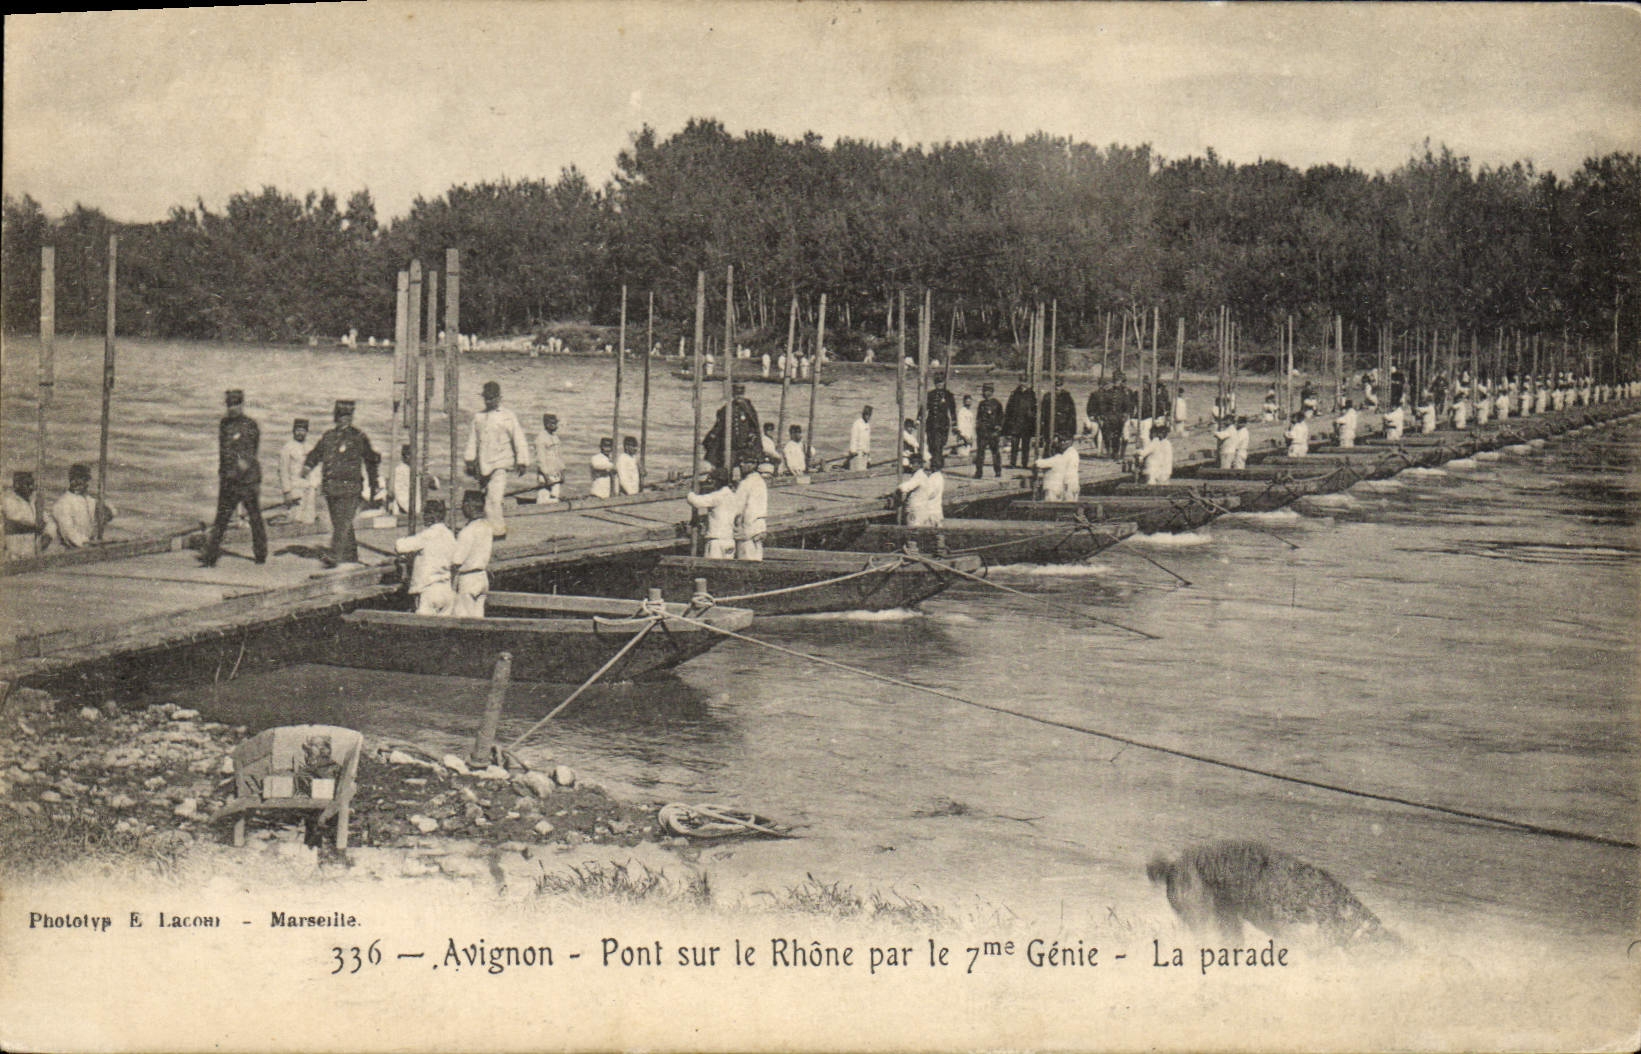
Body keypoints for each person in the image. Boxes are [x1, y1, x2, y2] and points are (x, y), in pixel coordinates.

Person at [303, 399, 382, 566]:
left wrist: (374, 486)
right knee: (339, 521)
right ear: (335, 417)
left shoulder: (358, 437)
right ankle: (351, 554)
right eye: (340, 416)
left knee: (342, 521)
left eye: (346, 416)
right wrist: (308, 466)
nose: (343, 419)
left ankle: (335, 555)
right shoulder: (329, 436)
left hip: (350, 488)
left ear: (351, 417)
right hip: (331, 488)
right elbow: (315, 453)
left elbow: (371, 460)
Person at [200, 389, 267, 567]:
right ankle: (210, 557)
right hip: (229, 480)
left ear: (242, 405)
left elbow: (251, 451)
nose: (232, 408)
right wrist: (223, 473)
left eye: (235, 405)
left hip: (247, 481)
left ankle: (260, 554)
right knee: (221, 519)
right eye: (229, 405)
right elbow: (224, 452)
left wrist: (242, 465)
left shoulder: (250, 425)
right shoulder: (224, 424)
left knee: (255, 517)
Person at [464, 380, 531, 538]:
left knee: (494, 499)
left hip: (501, 463)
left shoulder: (508, 416)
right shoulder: (479, 417)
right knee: (484, 497)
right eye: (486, 398)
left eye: (492, 398)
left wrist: (522, 461)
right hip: (483, 465)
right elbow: (473, 440)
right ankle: (486, 528)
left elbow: (519, 438)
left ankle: (498, 531)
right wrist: (469, 460)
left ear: (499, 398)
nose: (489, 401)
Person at [394, 499, 456, 616]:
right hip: (446, 589)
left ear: (432, 515)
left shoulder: (427, 535)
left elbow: (400, 546)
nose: (424, 517)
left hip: (429, 590)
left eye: (426, 514)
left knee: (423, 629)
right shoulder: (450, 535)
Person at [452, 490, 493, 618]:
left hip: (468, 579)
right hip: (482, 577)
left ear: (469, 506)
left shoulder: (467, 532)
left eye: (464, 505)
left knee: (463, 620)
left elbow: (456, 560)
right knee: (478, 618)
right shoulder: (487, 527)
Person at [703, 382, 763, 470]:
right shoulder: (727, 409)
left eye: (740, 394)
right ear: (733, 394)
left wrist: (752, 438)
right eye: (736, 394)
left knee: (747, 465)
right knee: (727, 464)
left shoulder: (748, 408)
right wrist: (711, 437)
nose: (738, 396)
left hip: (745, 446)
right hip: (731, 446)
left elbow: (754, 426)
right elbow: (719, 426)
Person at [686, 468, 739, 559]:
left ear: (717, 481)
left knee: (712, 568)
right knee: (727, 569)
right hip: (729, 539)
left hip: (716, 541)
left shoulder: (717, 496)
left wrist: (690, 492)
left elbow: (695, 501)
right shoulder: (732, 496)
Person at [279, 418, 322, 526]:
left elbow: (316, 469)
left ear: (306, 432)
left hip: (310, 488)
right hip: (295, 489)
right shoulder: (287, 448)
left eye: (302, 430)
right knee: (295, 519)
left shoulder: (311, 447)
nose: (300, 432)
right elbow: (283, 471)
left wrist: (316, 485)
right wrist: (287, 492)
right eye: (297, 430)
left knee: (309, 520)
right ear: (293, 431)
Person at [3, 471, 47, 559]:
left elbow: (47, 521)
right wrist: (35, 526)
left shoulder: (33, 502)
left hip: (31, 550)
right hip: (15, 551)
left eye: (32, 484)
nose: (31, 488)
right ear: (17, 485)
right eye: (27, 484)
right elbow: (15, 523)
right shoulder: (8, 501)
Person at [896, 450, 946, 527]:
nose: (910, 466)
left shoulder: (919, 476)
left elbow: (904, 488)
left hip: (916, 511)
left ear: (919, 464)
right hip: (924, 510)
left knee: (913, 533)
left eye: (913, 463)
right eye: (910, 463)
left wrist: (896, 492)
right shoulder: (927, 476)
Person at [733, 458, 768, 561]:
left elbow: (737, 508)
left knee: (745, 559)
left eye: (745, 462)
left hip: (748, 527)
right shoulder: (760, 481)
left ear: (754, 464)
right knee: (757, 557)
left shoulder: (745, 483)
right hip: (759, 526)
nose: (741, 464)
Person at [1003, 374, 1037, 467]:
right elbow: (1008, 410)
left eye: (1025, 381)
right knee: (1014, 445)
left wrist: (1032, 418)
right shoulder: (1014, 394)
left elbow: (1035, 409)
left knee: (1026, 445)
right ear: (1019, 381)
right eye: (1021, 381)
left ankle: (1024, 463)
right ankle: (1013, 463)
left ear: (1027, 382)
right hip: (1016, 423)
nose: (1023, 383)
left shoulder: (1031, 394)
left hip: (1026, 424)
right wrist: (1008, 424)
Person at [531, 413, 565, 503]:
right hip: (546, 475)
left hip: (556, 473)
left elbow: (559, 456)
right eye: (552, 423)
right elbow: (540, 460)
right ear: (546, 424)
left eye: (556, 423)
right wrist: (546, 477)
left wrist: (562, 472)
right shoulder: (541, 439)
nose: (555, 425)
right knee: (543, 498)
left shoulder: (555, 437)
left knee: (555, 498)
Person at [1035, 435, 1080, 502]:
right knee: (1070, 504)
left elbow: (1038, 463)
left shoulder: (1060, 457)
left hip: (1062, 485)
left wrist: (1039, 456)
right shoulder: (1071, 453)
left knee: (1057, 504)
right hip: (1068, 484)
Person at [974, 382, 1004, 478]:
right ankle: (979, 472)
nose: (986, 393)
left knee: (995, 452)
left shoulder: (997, 403)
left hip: (993, 432)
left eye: (988, 391)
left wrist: (999, 426)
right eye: (984, 391)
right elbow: (978, 418)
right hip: (982, 432)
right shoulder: (981, 404)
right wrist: (978, 428)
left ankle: (998, 471)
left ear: (992, 392)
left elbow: (1002, 417)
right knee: (980, 453)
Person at [924, 377, 957, 457]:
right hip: (931, 423)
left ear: (944, 383)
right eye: (937, 383)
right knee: (932, 444)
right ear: (935, 384)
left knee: (940, 444)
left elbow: (952, 410)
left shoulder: (948, 395)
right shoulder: (930, 394)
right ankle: (935, 463)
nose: (939, 384)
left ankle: (937, 464)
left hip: (943, 424)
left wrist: (955, 424)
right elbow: (924, 407)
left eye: (941, 382)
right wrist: (918, 419)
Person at [1042, 378, 1076, 445]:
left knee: (1063, 445)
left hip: (1063, 425)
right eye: (1056, 386)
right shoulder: (1047, 397)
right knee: (1049, 444)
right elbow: (1043, 412)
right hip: (1051, 424)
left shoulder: (1067, 397)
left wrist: (1072, 429)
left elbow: (1072, 413)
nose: (1057, 388)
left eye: (1059, 386)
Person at [847, 405, 873, 471]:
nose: (868, 417)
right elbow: (854, 438)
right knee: (856, 470)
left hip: (864, 453)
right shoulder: (857, 424)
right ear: (863, 414)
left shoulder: (867, 425)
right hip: (857, 453)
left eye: (869, 415)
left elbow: (868, 441)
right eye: (866, 415)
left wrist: (869, 457)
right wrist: (853, 450)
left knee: (863, 470)